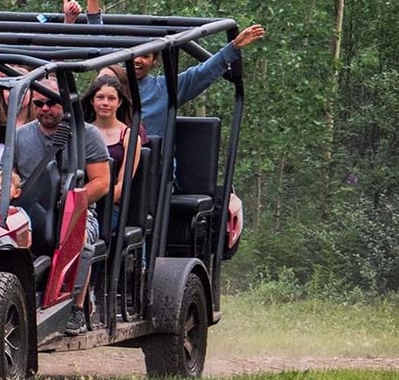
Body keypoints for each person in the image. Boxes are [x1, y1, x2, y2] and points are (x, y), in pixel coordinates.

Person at [14, 80, 110, 333]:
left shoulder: (87, 134)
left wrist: (70, 205)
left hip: (78, 210)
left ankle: (76, 308)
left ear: (65, 104)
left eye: (52, 103)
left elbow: (102, 182)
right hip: (29, 210)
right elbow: (10, 175)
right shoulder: (20, 135)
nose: (45, 109)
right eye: (39, 104)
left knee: (76, 236)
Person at [134, 23, 266, 135]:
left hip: (153, 162)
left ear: (154, 61)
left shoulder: (165, 88)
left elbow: (200, 74)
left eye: (145, 56)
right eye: (135, 54)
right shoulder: (114, 85)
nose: (137, 60)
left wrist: (234, 46)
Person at [80, 75, 147, 203]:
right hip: (81, 200)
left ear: (119, 102)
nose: (105, 103)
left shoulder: (129, 136)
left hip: (111, 205)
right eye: (100, 97)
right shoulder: (81, 132)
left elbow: (122, 185)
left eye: (111, 98)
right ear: (92, 101)